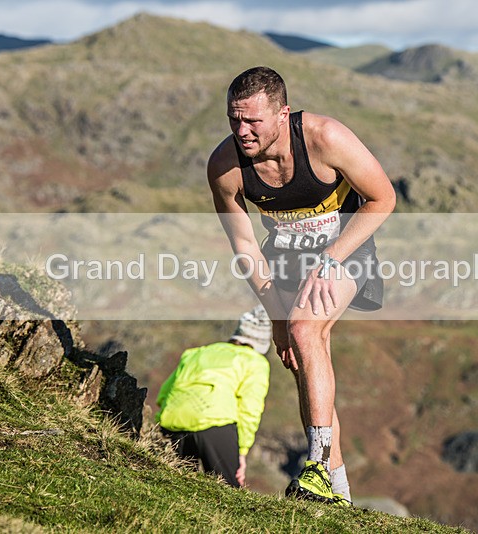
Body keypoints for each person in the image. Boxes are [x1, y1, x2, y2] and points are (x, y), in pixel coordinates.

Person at [207, 66, 396, 505]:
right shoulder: (225, 166)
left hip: (345, 249)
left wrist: (331, 260)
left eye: (252, 120)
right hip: (286, 258)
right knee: (304, 362)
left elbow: (382, 197)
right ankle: (339, 492)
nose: (242, 130)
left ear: (282, 114)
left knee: (307, 329)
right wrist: (275, 315)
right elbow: (244, 245)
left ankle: (315, 468)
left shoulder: (325, 138)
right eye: (234, 119)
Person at [156, 305, 271, 488]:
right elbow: (250, 409)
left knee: (175, 488)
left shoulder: (196, 353)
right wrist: (241, 452)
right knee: (228, 492)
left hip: (174, 424)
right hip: (216, 426)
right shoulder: (255, 362)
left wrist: (161, 423)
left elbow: (164, 393)